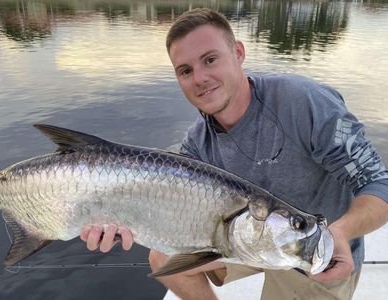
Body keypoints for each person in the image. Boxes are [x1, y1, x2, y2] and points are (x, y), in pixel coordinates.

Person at [80, 8, 388, 299]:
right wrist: (121, 220)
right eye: (185, 70)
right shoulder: (198, 145)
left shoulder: (305, 103)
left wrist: (340, 233)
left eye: (210, 59)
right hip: (244, 241)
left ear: (238, 53)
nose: (199, 78)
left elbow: (379, 184)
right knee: (163, 258)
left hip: (316, 254)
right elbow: (172, 216)